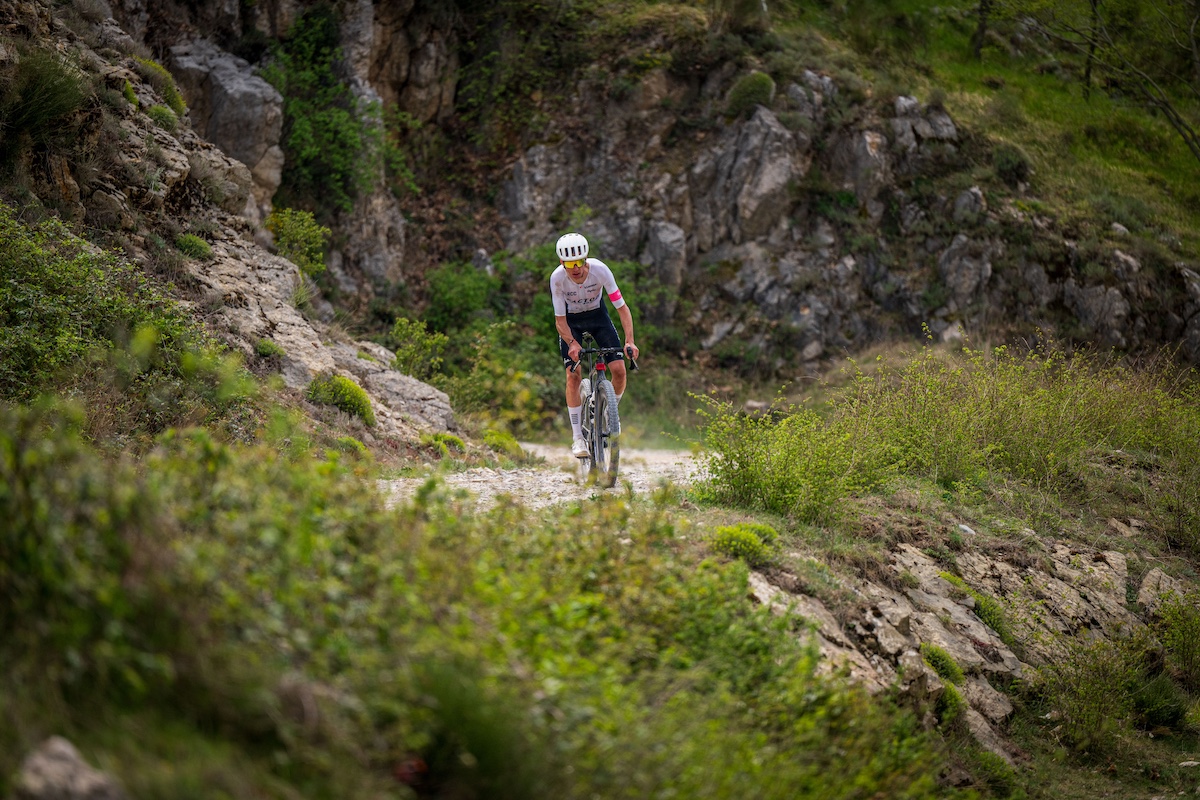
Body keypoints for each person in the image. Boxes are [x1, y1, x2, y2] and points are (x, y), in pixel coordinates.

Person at [550, 232, 640, 458]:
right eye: (570, 264)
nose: (576, 268)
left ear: (586, 259)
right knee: (573, 375)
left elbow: (622, 308)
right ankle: (577, 438)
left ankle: (610, 413)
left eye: (580, 262)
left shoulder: (601, 270)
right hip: (572, 323)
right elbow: (560, 321)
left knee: (619, 370)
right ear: (562, 263)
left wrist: (629, 340)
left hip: (598, 318)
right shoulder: (557, 279)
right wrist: (571, 343)